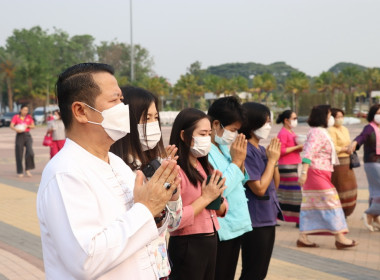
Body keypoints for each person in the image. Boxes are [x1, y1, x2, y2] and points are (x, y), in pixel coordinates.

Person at [36, 63, 180, 280]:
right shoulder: (65, 173)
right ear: (81, 111)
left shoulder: (116, 163)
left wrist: (159, 206)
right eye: (114, 101)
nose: (123, 108)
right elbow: (85, 261)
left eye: (121, 100)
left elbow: (144, 231)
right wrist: (146, 208)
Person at [110, 86, 182, 279]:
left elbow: (174, 223)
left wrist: (173, 193)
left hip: (158, 267)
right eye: (145, 119)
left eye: (155, 118)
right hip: (131, 269)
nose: (152, 124)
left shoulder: (155, 163)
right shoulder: (116, 168)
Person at [168, 108, 228, 280]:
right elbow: (175, 220)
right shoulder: (175, 170)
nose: (207, 139)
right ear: (183, 135)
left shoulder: (204, 165)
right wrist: (207, 198)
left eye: (209, 134)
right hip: (188, 243)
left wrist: (218, 199)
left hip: (211, 238)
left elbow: (221, 207)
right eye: (202, 133)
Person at [298, 105, 358, 249]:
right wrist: (304, 172)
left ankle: (303, 237)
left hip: (322, 172)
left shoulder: (320, 132)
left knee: (312, 204)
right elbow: (308, 153)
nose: (331, 118)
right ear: (322, 116)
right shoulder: (317, 132)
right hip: (316, 173)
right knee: (332, 203)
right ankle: (340, 237)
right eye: (330, 115)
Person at [206, 96, 252, 280]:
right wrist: (237, 161)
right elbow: (219, 190)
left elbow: (240, 180)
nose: (234, 135)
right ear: (216, 124)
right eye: (233, 130)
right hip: (222, 228)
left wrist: (238, 161)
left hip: (236, 225)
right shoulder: (205, 150)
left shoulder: (223, 147)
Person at [239, 102, 283, 280]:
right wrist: (271, 162)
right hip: (255, 219)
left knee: (261, 271)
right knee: (253, 271)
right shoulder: (246, 151)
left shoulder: (262, 150)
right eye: (265, 122)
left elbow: (275, 185)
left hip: (268, 216)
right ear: (252, 123)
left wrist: (275, 160)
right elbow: (259, 188)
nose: (268, 126)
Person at [350, 104, 380, 231]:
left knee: (375, 191)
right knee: (376, 190)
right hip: (372, 162)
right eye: (378, 113)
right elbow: (361, 137)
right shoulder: (369, 128)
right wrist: (355, 143)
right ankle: (369, 213)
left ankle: (374, 218)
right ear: (372, 115)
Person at [328, 108, 357, 217]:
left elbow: (349, 142)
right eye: (337, 117)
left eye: (341, 116)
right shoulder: (331, 130)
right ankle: (337, 211)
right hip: (338, 162)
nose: (340, 119)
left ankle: (347, 211)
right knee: (339, 186)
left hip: (347, 162)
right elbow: (332, 147)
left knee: (349, 186)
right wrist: (344, 149)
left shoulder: (344, 129)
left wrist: (351, 147)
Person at [276, 110, 303, 226]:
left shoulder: (290, 132)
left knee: (284, 193)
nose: (295, 120)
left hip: (293, 165)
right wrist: (297, 147)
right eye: (294, 118)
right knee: (294, 193)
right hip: (286, 166)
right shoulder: (283, 133)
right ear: (286, 120)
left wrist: (299, 147)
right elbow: (281, 150)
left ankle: (277, 215)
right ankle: (298, 219)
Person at [9, 104, 35, 177]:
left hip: (27, 135)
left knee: (30, 152)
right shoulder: (16, 117)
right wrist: (16, 129)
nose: (25, 111)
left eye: (27, 110)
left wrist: (28, 126)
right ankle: (20, 171)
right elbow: (11, 125)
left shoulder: (29, 117)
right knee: (19, 153)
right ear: (21, 110)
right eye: (24, 110)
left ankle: (28, 169)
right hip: (19, 135)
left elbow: (33, 126)